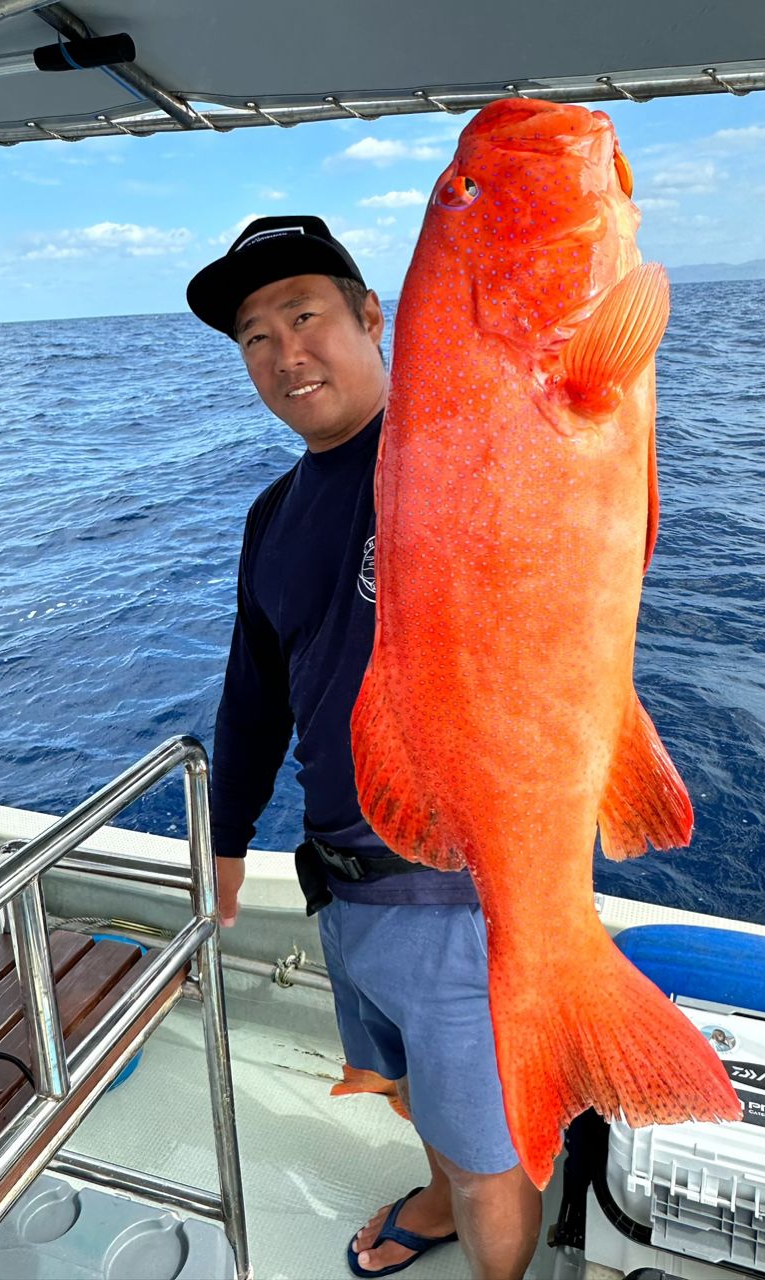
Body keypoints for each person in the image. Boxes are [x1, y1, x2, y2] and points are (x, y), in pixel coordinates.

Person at [186, 216, 541, 1280]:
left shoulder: (457, 445)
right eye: (254, 335)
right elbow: (254, 697)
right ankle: (435, 1193)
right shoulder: (271, 515)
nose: (284, 353)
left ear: (370, 316)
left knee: (491, 1156)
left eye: (303, 315)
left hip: (457, 886)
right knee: (404, 1085)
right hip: (341, 877)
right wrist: (228, 838)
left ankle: (480, 1228)